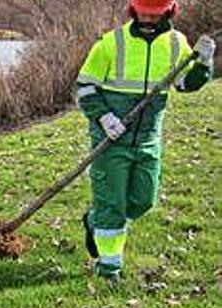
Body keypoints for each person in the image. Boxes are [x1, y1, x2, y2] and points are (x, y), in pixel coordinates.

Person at [76, 0, 215, 280]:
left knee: (143, 201)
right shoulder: (110, 43)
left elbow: (186, 84)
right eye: (144, 10)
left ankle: (95, 221)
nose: (149, 16)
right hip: (111, 141)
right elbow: (85, 86)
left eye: (156, 11)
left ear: (170, 9)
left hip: (148, 139)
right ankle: (109, 269)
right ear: (133, 7)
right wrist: (104, 118)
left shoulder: (177, 43)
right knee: (112, 207)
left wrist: (203, 62)